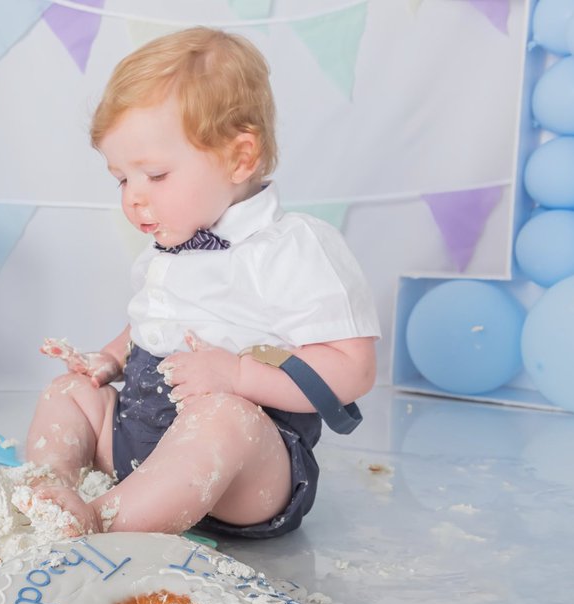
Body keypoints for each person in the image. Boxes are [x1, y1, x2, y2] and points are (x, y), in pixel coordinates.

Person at [24, 27, 380, 539]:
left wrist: (239, 377)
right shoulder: (171, 244)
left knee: (222, 417)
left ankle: (101, 523)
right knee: (69, 392)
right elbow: (152, 321)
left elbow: (354, 368)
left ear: (239, 158)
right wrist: (109, 358)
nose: (134, 199)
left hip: (243, 476)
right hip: (138, 447)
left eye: (156, 175)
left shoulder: (292, 249)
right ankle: (50, 485)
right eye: (123, 179)